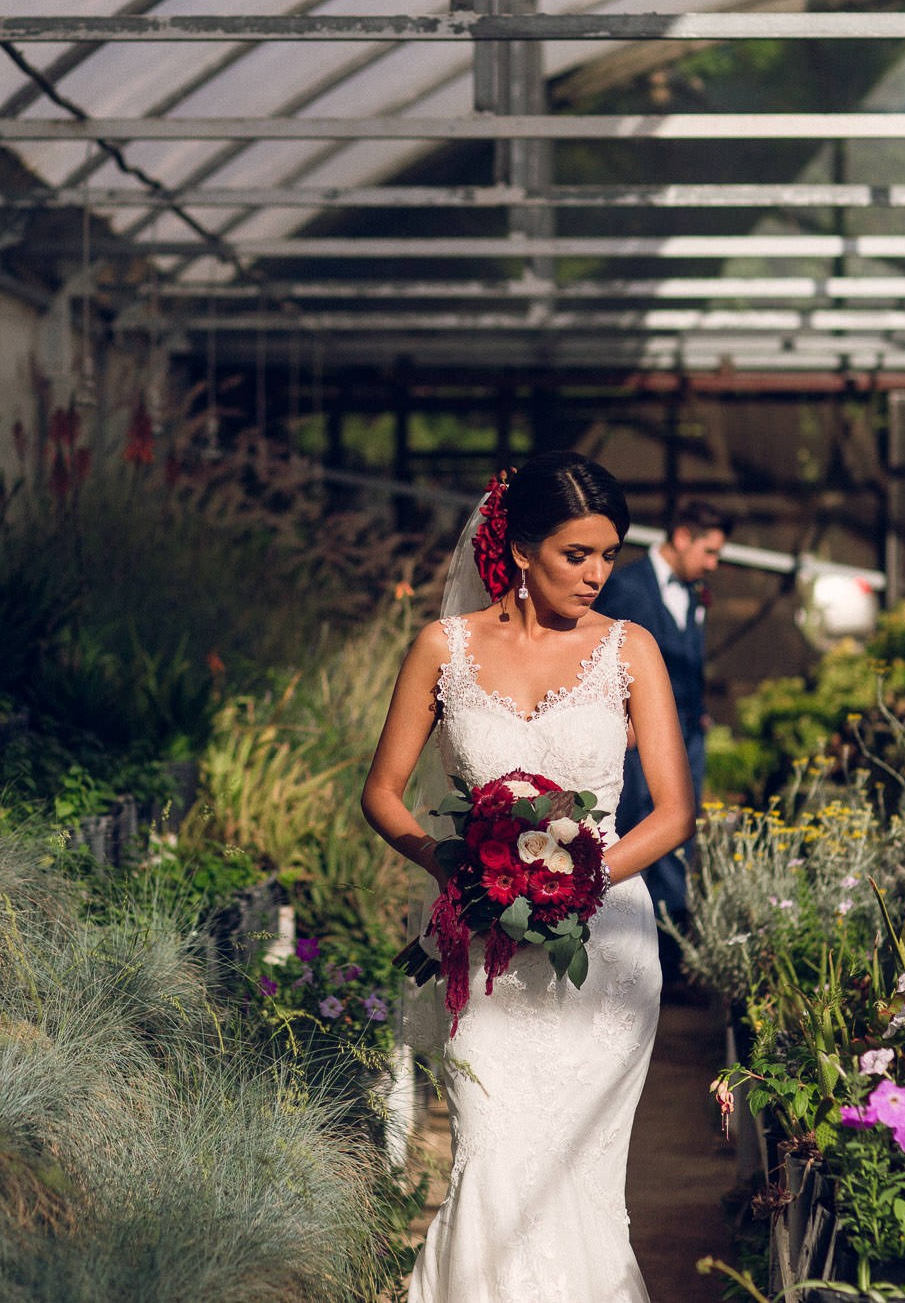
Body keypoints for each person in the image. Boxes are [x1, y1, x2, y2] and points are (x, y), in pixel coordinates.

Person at [362, 451, 695, 1302]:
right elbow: (383, 793)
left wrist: (583, 879)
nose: (596, 574)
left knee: (576, 1175)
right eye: (575, 554)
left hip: (605, 948)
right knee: (493, 1153)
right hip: (484, 942)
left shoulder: (631, 650)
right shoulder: (442, 647)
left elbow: (672, 814)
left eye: (608, 555)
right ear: (519, 550)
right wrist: (449, 861)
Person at [593, 500, 728, 984]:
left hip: (689, 735)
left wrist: (699, 710)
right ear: (682, 536)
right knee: (639, 832)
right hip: (638, 740)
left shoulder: (694, 591)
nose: (713, 564)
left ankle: (669, 963)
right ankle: (635, 958)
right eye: (709, 552)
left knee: (680, 837)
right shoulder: (625, 586)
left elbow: (689, 658)